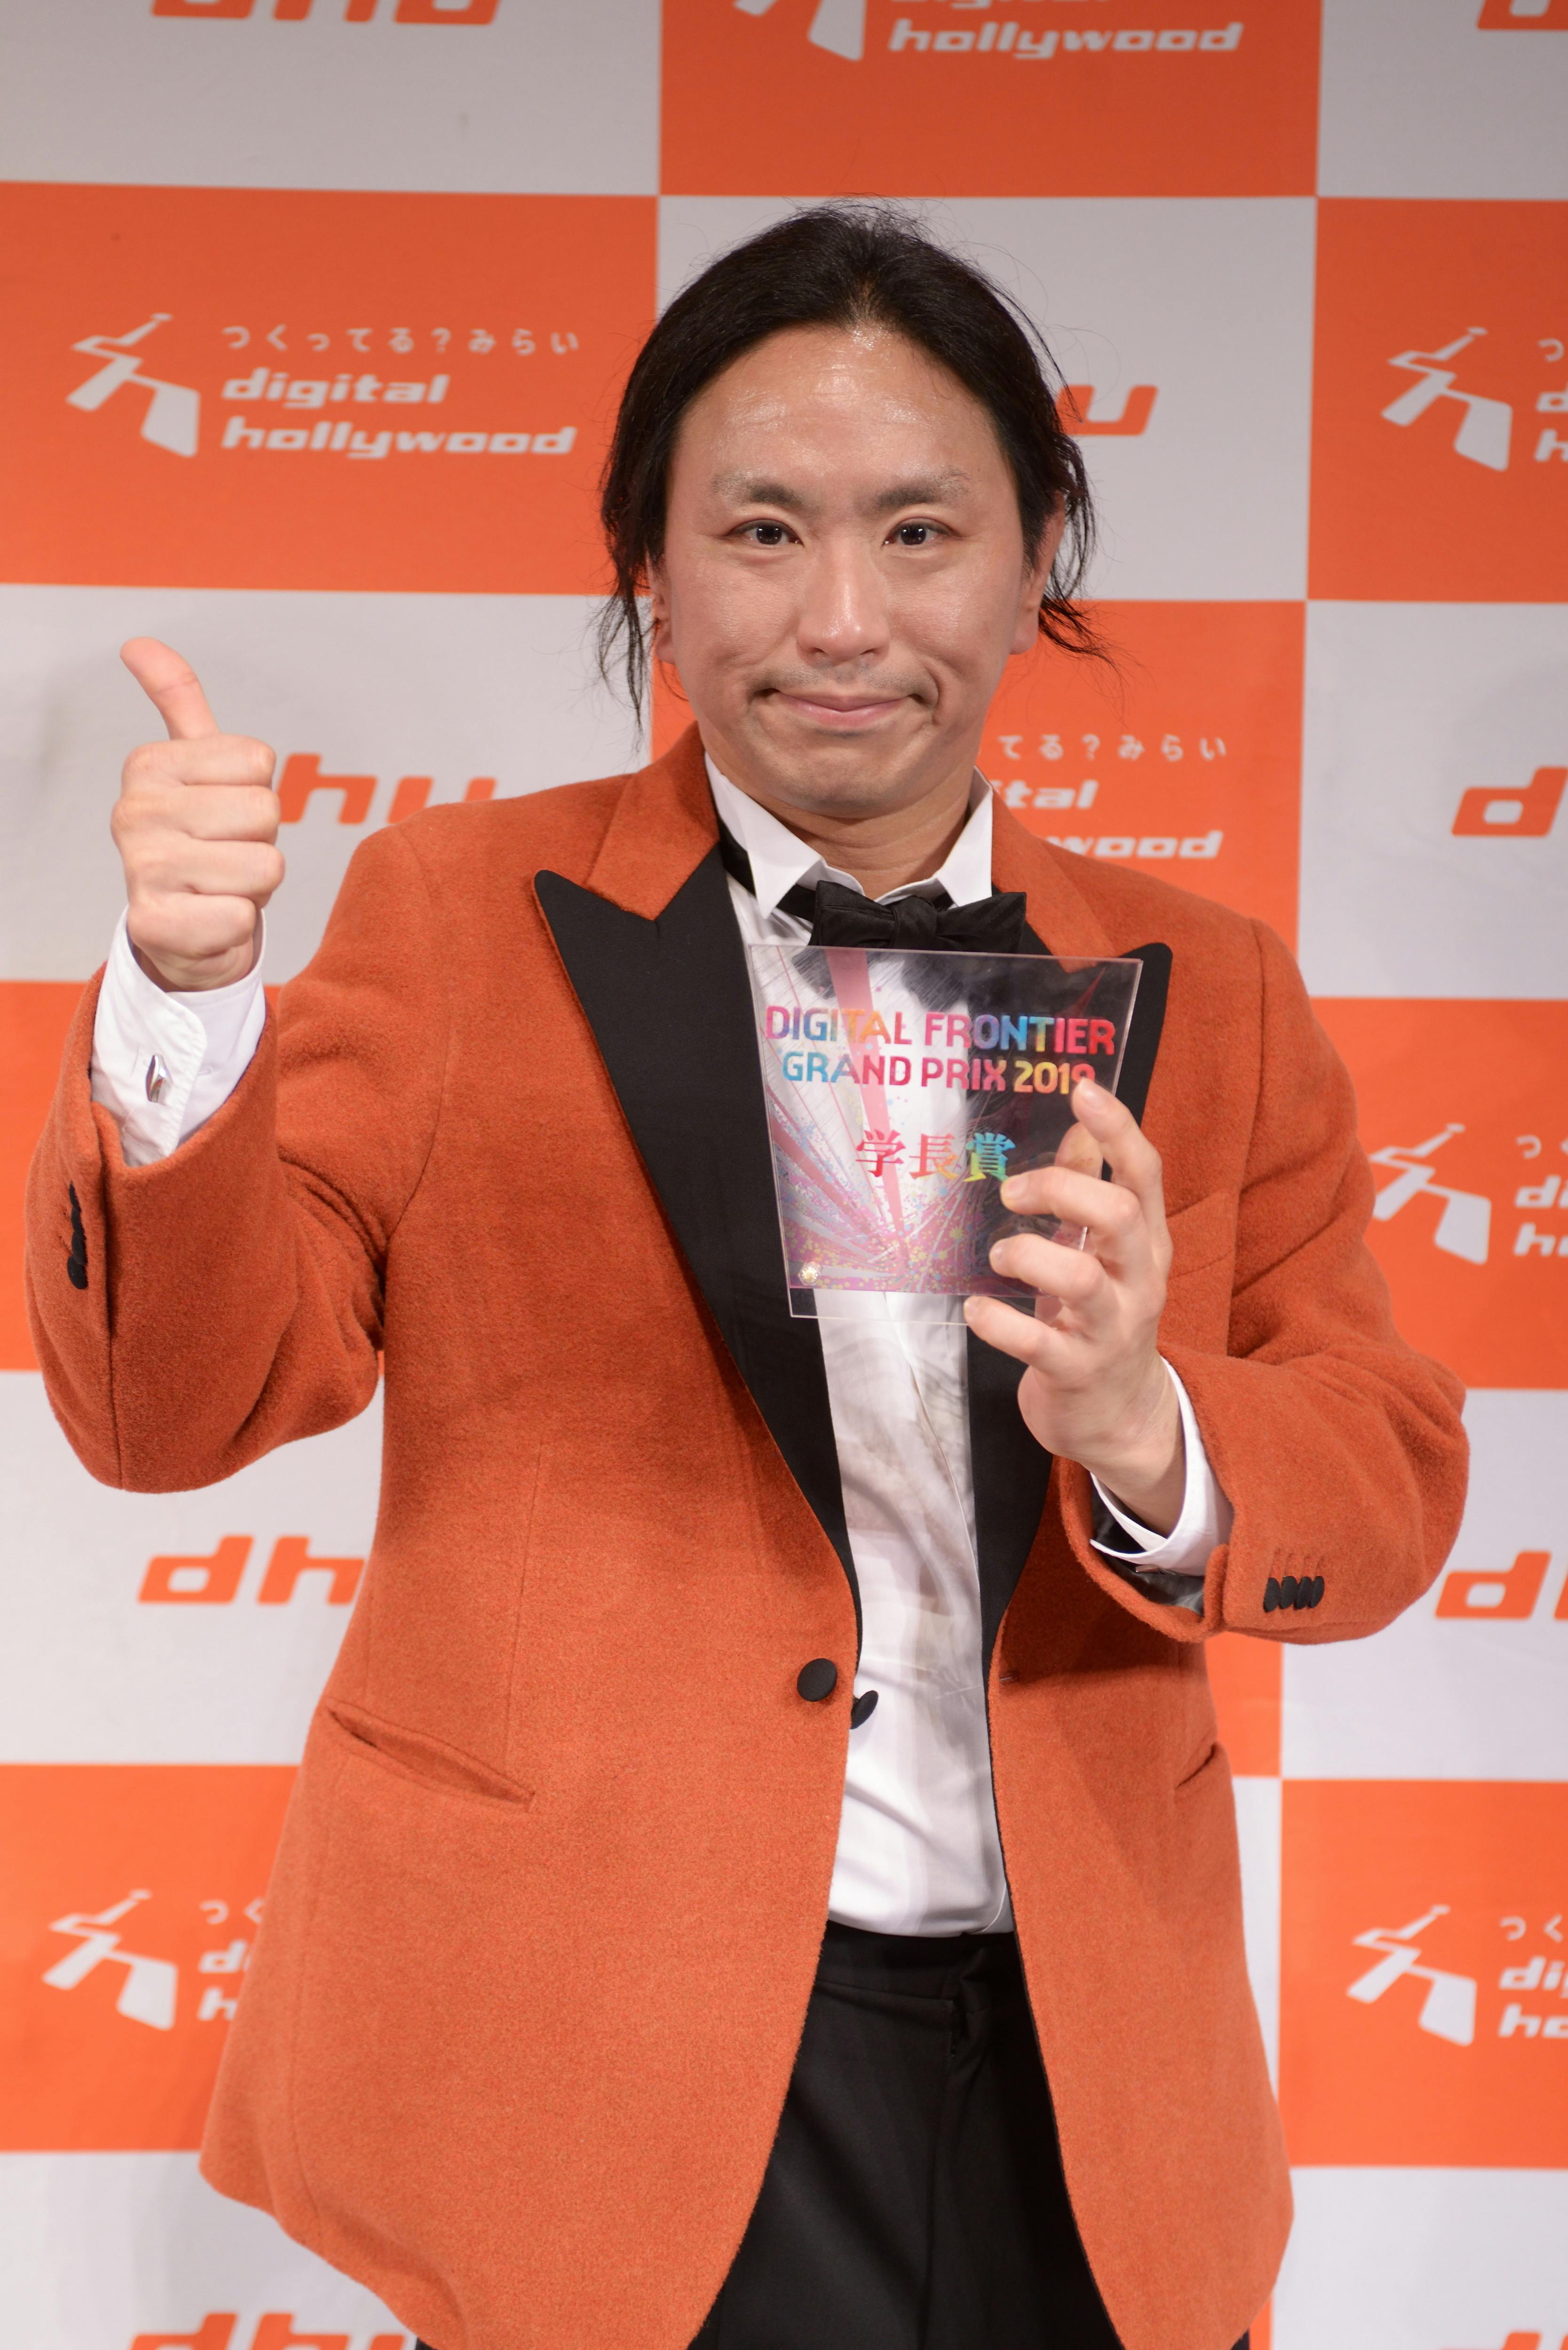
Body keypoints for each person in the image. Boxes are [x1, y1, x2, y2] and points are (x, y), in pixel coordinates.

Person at [26, 206, 1467, 2350]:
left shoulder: (1211, 981)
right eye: (762, 531)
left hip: (1094, 2067)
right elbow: (173, 1411)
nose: (841, 618)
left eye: (920, 530)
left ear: (1039, 553)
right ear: (651, 566)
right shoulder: (455, 912)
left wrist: (1145, 1427)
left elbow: (1381, 1480)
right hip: (607, 2047)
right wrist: (184, 999)